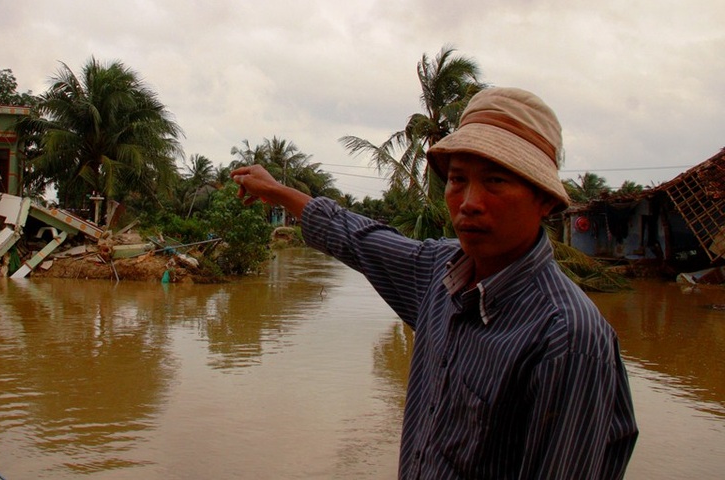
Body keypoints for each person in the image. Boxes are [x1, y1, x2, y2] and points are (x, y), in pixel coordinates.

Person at [231, 87, 637, 479]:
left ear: (545, 199)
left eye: (495, 181)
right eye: (457, 180)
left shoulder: (566, 339)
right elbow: (360, 238)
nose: (469, 202)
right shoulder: (439, 273)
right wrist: (279, 192)